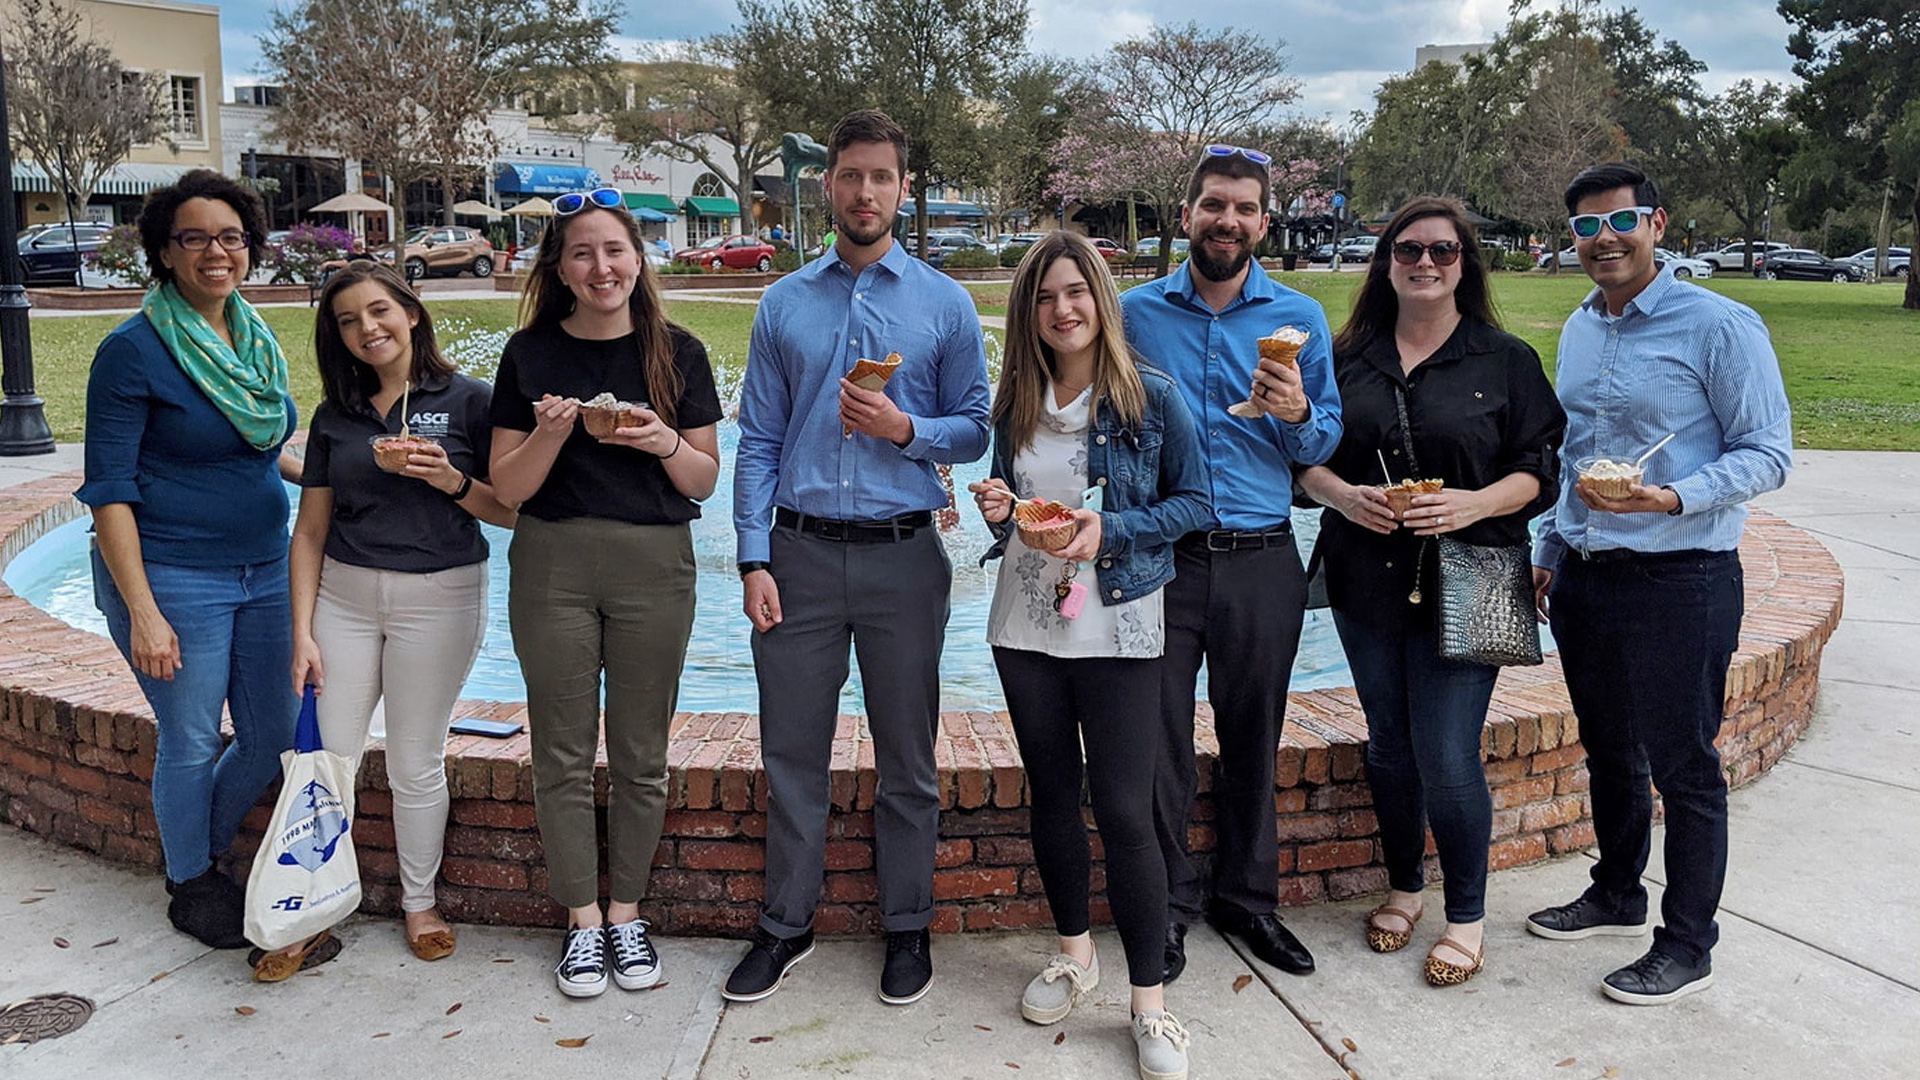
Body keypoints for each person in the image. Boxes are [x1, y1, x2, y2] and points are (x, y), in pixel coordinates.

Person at [728, 108, 991, 1006]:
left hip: (903, 559)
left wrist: (906, 428)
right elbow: (757, 439)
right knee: (791, 755)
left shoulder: (945, 306)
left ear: (903, 189)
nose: (866, 191)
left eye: (882, 177)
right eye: (852, 176)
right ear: (829, 185)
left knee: (908, 756)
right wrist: (752, 557)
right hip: (796, 556)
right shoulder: (783, 303)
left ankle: (908, 927)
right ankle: (785, 924)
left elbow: (975, 431)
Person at [1528, 163, 1791, 1005]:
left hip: (1683, 576)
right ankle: (1615, 891)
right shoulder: (1580, 329)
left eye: (1622, 221)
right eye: (1586, 227)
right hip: (1587, 574)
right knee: (1609, 747)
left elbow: (1767, 452)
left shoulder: (1719, 324)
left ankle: (1687, 943)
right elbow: (1570, 458)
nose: (1604, 239)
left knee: (1684, 763)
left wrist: (1672, 495)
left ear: (1658, 224)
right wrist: (1548, 545)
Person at [1296, 196, 1566, 987]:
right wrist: (1342, 496)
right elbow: (1300, 458)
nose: (1424, 262)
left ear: (1463, 264)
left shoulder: (1505, 359)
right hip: (1366, 569)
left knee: (1448, 753)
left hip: (1480, 571)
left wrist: (1474, 502)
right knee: (1388, 743)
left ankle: (1467, 916)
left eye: (1442, 251)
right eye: (1408, 249)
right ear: (1385, 262)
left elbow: (1541, 471)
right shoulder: (1346, 357)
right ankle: (1406, 886)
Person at [970, 232, 1210, 1080]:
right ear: (1027, 312)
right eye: (1044, 298)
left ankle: (1151, 1003)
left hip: (1119, 624)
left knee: (1123, 807)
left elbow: (1195, 504)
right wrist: (999, 507)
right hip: (1026, 626)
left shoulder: (1151, 399)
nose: (1062, 309)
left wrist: (1114, 529)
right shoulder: (1015, 404)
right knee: (1051, 796)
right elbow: (1014, 517)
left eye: (1075, 292)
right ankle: (1076, 953)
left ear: (1100, 299)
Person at [488, 186, 724, 999]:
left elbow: (703, 479)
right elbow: (508, 491)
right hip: (551, 560)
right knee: (558, 750)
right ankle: (582, 922)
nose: (601, 267)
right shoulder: (529, 355)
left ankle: (628, 913)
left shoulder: (678, 352)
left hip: (655, 563)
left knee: (640, 752)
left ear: (637, 259)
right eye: (582, 252)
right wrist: (553, 431)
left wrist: (660, 437)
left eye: (614, 250)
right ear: (559, 265)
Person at [1120, 145, 1343, 983]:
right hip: (1163, 560)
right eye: (1214, 204)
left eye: (1245, 208)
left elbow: (1324, 441)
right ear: (1188, 216)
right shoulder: (1135, 314)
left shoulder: (1299, 317)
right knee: (1161, 744)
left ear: (1263, 220)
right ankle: (1171, 906)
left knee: (1256, 737)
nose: (1229, 220)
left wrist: (1294, 416)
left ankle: (1249, 901)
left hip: (1261, 556)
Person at [76, 169, 299, 953]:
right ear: (164, 253)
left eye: (232, 236)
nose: (217, 252)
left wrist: (348, 466)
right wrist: (144, 612)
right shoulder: (132, 352)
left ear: (251, 248)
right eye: (195, 237)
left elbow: (258, 447)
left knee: (272, 732)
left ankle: (197, 847)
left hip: (266, 571)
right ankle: (192, 881)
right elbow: (109, 491)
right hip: (174, 577)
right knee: (194, 737)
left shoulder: (253, 337)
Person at [289, 261, 517, 970]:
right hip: (344, 599)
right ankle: (312, 905)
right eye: (349, 321)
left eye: (380, 311)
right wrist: (300, 630)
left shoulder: (473, 401)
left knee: (416, 760)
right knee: (328, 760)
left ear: (412, 313)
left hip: (440, 596)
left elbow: (510, 511)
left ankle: (420, 904)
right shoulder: (337, 415)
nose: (368, 329)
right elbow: (310, 532)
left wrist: (447, 477)